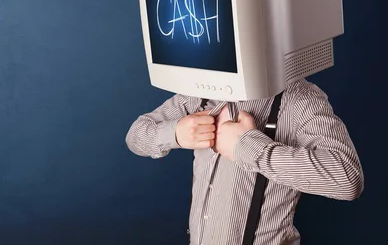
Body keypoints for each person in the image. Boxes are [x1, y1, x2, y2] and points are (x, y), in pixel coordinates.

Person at [125, 78, 363, 245]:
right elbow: (135, 136)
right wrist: (175, 133)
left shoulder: (299, 98)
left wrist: (246, 146)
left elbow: (347, 178)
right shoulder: (202, 91)